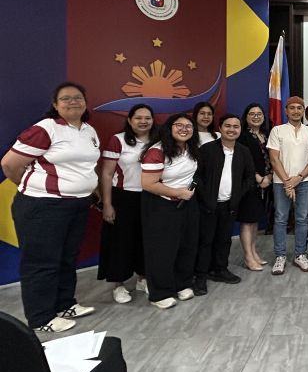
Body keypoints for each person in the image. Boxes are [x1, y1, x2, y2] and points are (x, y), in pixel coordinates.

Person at [1, 82, 99, 333]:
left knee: (67, 257)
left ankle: (66, 304)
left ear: (85, 102)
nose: (73, 102)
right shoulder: (45, 129)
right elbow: (10, 164)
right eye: (65, 99)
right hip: (43, 207)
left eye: (78, 97)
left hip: (77, 205)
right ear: (55, 105)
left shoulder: (88, 130)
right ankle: (41, 317)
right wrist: (37, 188)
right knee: (42, 262)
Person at [140, 113, 201, 309]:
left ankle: (182, 283)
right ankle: (160, 292)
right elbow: (148, 183)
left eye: (189, 126)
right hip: (161, 205)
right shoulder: (156, 151)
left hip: (187, 203)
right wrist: (176, 193)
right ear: (169, 127)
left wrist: (184, 194)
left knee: (187, 245)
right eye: (179, 125)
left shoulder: (191, 149)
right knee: (162, 249)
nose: (184, 129)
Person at [98, 103, 155, 304]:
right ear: (130, 120)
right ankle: (118, 284)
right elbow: (106, 173)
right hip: (123, 197)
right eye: (138, 117)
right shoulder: (118, 140)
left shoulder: (159, 141)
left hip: (150, 197)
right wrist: (107, 204)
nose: (143, 121)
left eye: (147, 117)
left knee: (146, 240)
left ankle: (143, 278)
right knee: (120, 242)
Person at [193, 114, 255, 295]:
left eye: (236, 127)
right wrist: (204, 196)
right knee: (205, 241)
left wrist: (237, 195)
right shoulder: (207, 149)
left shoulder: (243, 151)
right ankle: (201, 276)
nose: (232, 129)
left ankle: (220, 269)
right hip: (207, 204)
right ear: (220, 128)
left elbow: (249, 177)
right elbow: (197, 175)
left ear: (240, 130)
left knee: (224, 239)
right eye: (227, 126)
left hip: (230, 205)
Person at [267, 96, 308, 275]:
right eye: (292, 108)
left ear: (303, 111)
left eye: (299, 108)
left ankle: (300, 255)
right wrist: (288, 182)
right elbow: (274, 158)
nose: (296, 111)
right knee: (280, 219)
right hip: (281, 182)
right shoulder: (277, 131)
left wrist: (298, 178)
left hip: (304, 182)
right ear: (286, 111)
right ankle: (280, 256)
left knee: (302, 219)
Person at [237, 103, 272, 271]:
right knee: (247, 220)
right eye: (252, 114)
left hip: (265, 183)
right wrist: (258, 178)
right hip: (250, 184)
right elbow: (243, 162)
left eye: (259, 114)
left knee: (255, 220)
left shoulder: (266, 134)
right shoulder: (242, 136)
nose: (256, 116)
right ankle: (248, 257)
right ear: (246, 117)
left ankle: (253, 252)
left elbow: (271, 158)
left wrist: (269, 176)